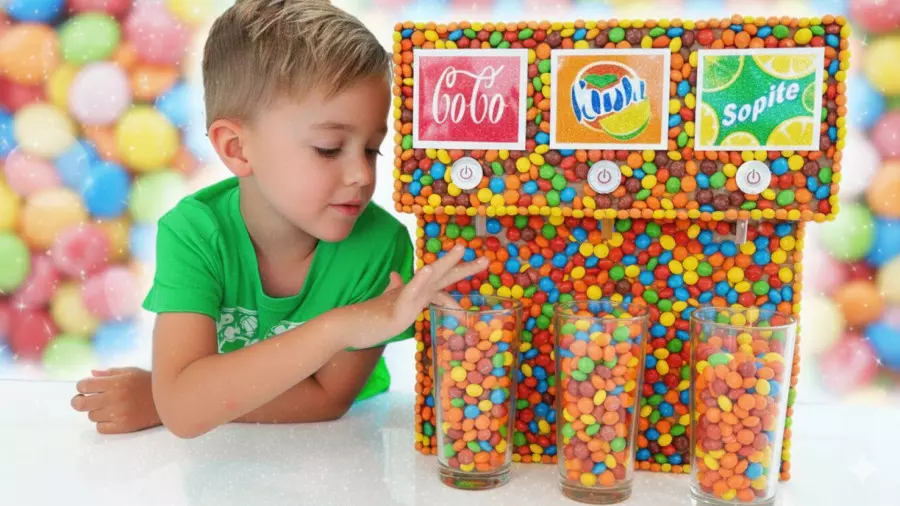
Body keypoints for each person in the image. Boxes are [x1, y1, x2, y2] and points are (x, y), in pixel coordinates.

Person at [69, 0, 486, 437]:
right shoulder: (194, 233)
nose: (363, 175)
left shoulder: (379, 246)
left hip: (338, 449)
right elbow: (184, 411)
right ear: (236, 148)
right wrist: (341, 327)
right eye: (328, 148)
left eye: (371, 149)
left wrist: (175, 398)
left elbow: (326, 399)